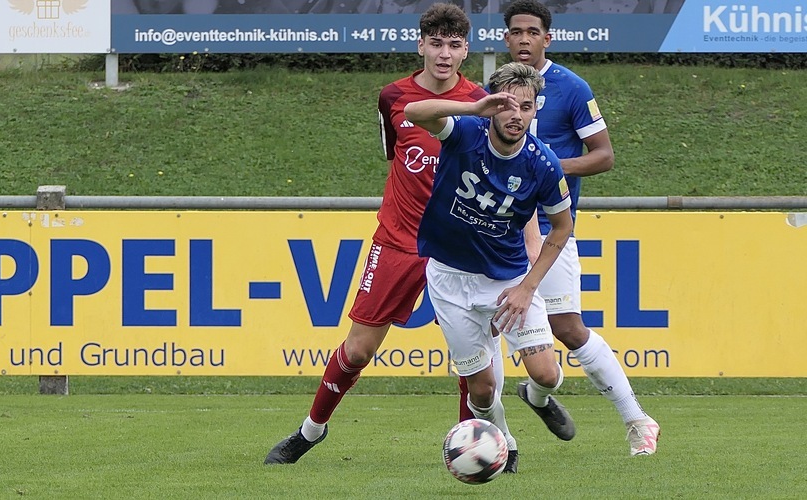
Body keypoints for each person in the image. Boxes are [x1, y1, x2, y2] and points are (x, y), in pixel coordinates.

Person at [264, 3, 524, 472]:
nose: (444, 54)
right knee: (359, 348)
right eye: (436, 43)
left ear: (466, 49)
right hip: (398, 241)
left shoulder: (485, 101)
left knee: (472, 359)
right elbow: (395, 154)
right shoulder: (393, 97)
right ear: (420, 44)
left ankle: (485, 443)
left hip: (458, 250)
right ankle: (311, 431)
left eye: (454, 45)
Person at [460, 0, 661, 456]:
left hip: (550, 226)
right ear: (505, 38)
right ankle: (503, 441)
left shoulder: (571, 87)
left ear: (547, 38)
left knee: (568, 328)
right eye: (516, 32)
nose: (525, 39)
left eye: (534, 31)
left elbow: (604, 156)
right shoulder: (488, 92)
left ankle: (637, 419)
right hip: (490, 229)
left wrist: (546, 167)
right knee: (487, 329)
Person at [405, 62, 577, 460]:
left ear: (536, 110)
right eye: (507, 104)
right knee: (481, 391)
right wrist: (472, 107)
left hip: (508, 281)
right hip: (449, 279)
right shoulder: (465, 133)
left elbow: (562, 228)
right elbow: (413, 112)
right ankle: (504, 442)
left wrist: (527, 287)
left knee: (547, 375)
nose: (516, 114)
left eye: (526, 106)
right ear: (493, 105)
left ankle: (537, 398)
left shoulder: (543, 164)